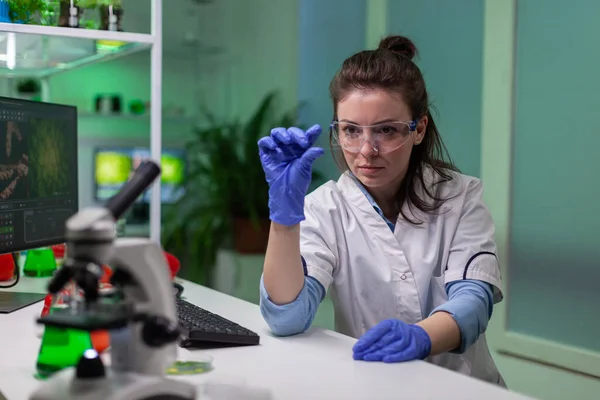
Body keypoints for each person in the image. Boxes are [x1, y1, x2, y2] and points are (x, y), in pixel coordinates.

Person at [257, 35, 505, 386]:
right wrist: (283, 217)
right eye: (351, 130)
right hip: (371, 383)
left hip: (460, 387)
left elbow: (474, 300)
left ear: (418, 129)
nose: (366, 150)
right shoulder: (324, 208)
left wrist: (422, 337)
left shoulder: (459, 197)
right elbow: (287, 318)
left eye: (386, 130)